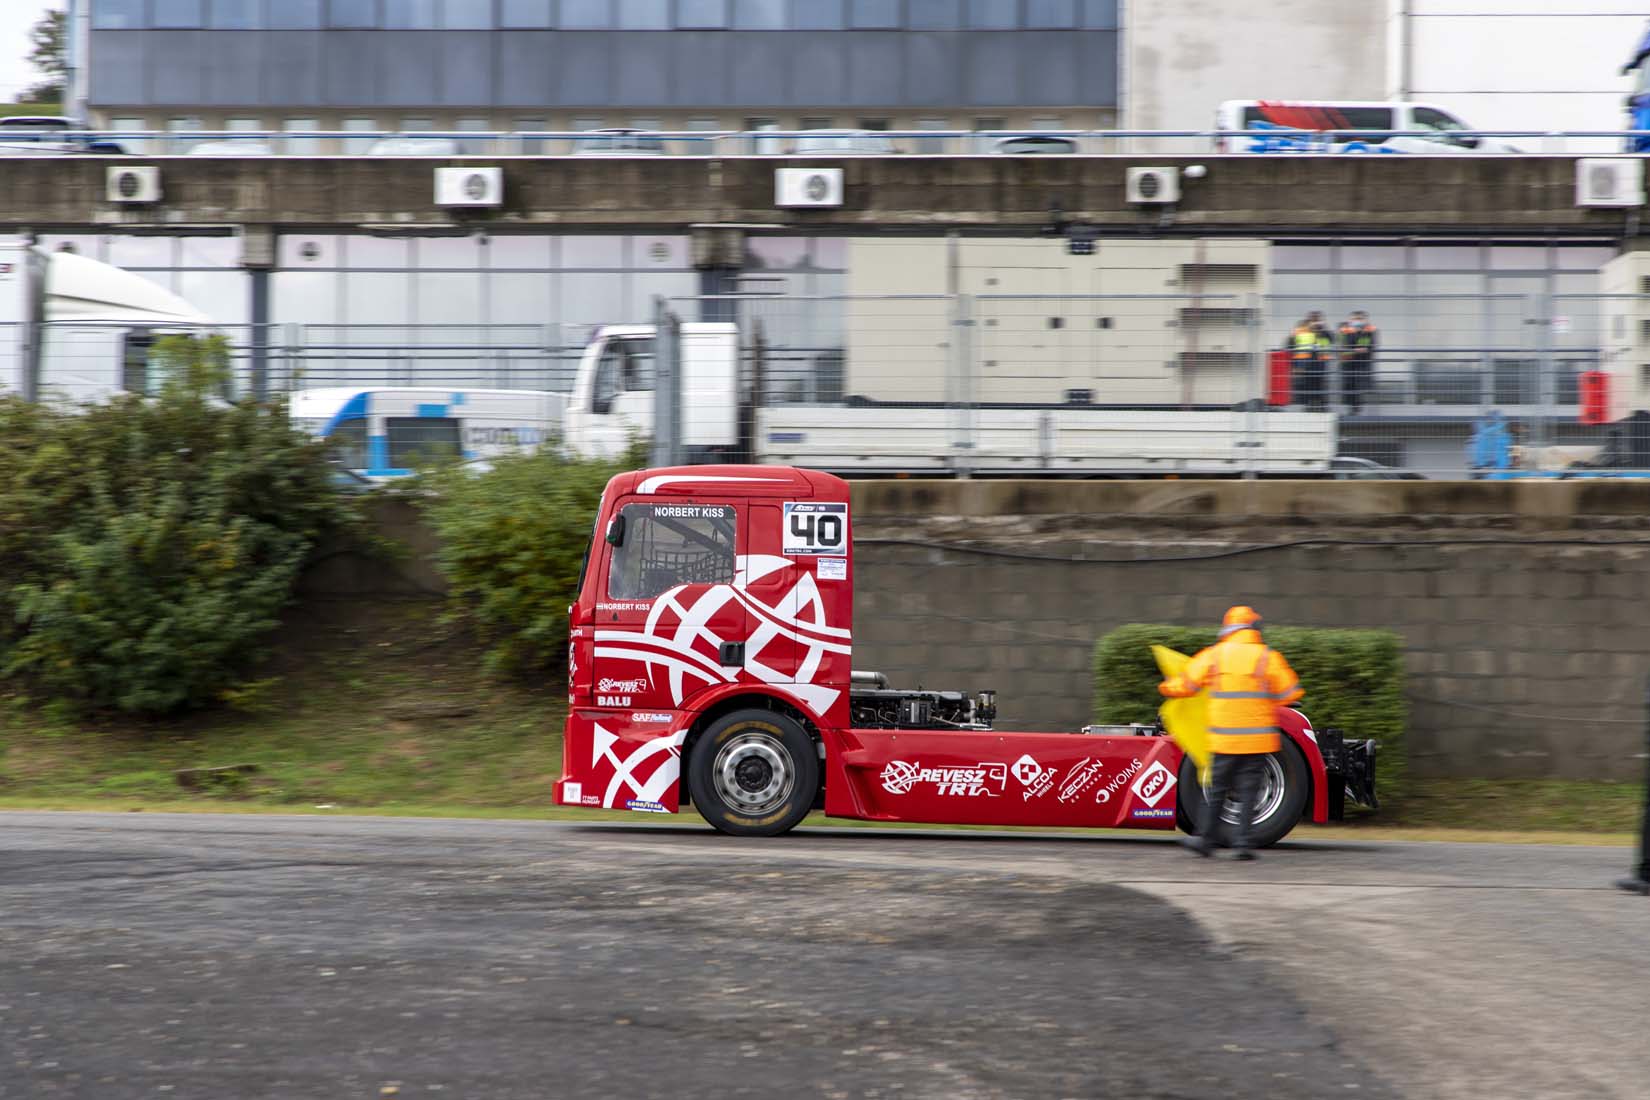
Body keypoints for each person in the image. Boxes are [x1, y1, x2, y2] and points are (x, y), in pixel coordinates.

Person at [1159, 605, 1303, 860]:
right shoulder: (1266, 657)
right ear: (1254, 628)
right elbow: (1290, 692)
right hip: (1258, 740)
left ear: (1229, 628)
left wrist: (1167, 688)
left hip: (1225, 739)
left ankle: (1205, 840)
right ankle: (1243, 844)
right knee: (1249, 791)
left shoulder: (1216, 655)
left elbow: (1188, 684)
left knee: (1217, 789)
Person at [1338, 310, 1377, 413]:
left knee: (1358, 384)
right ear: (1350, 320)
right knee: (1349, 385)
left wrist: (1365, 349)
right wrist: (1355, 349)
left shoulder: (1370, 330)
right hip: (1348, 361)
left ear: (1365, 320)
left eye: (1360, 319)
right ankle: (1351, 406)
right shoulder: (1345, 330)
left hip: (1362, 361)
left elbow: (1372, 345)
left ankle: (1356, 407)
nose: (1357, 321)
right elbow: (1342, 345)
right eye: (1355, 319)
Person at [1288, 315, 1326, 412]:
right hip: (1308, 364)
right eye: (1310, 325)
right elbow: (1317, 348)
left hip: (1307, 364)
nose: (1312, 326)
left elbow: (1292, 348)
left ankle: (1310, 405)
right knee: (1310, 385)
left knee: (1311, 385)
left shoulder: (1302, 334)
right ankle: (1312, 405)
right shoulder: (1309, 335)